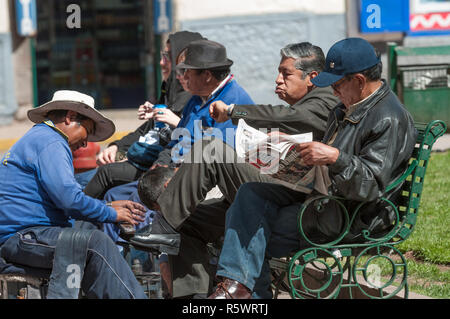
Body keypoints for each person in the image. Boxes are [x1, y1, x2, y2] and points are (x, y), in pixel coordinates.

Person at [205, 37, 417, 299]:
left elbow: (371, 185)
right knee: (251, 194)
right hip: (327, 196)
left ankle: (244, 294)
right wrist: (291, 146)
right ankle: (242, 292)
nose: (333, 92)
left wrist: (335, 157)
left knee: (250, 232)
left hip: (353, 214)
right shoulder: (349, 105)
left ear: (360, 81)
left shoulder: (387, 118)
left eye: (337, 85)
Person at [131, 42, 340, 298]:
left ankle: (164, 225)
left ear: (312, 78)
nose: (278, 80)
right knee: (187, 223)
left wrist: (232, 112)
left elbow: (283, 117)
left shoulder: (324, 99)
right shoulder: (305, 104)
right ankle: (193, 298)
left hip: (295, 198)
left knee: (210, 149)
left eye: (286, 74)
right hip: (275, 186)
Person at [0, 90, 148, 299]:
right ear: (70, 117)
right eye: (87, 132)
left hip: (28, 234)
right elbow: (69, 200)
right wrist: (112, 214)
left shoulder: (42, 137)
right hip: (20, 237)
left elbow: (66, 198)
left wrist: (105, 209)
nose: (85, 144)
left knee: (90, 229)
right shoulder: (51, 141)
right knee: (94, 243)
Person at [82, 31, 205, 199]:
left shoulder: (197, 98)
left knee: (105, 177)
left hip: (160, 170)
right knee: (83, 179)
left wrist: (176, 121)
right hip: (145, 161)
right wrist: (116, 146)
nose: (162, 62)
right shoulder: (169, 93)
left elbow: (203, 139)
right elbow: (144, 131)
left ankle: (76, 221)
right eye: (163, 56)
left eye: (168, 56)